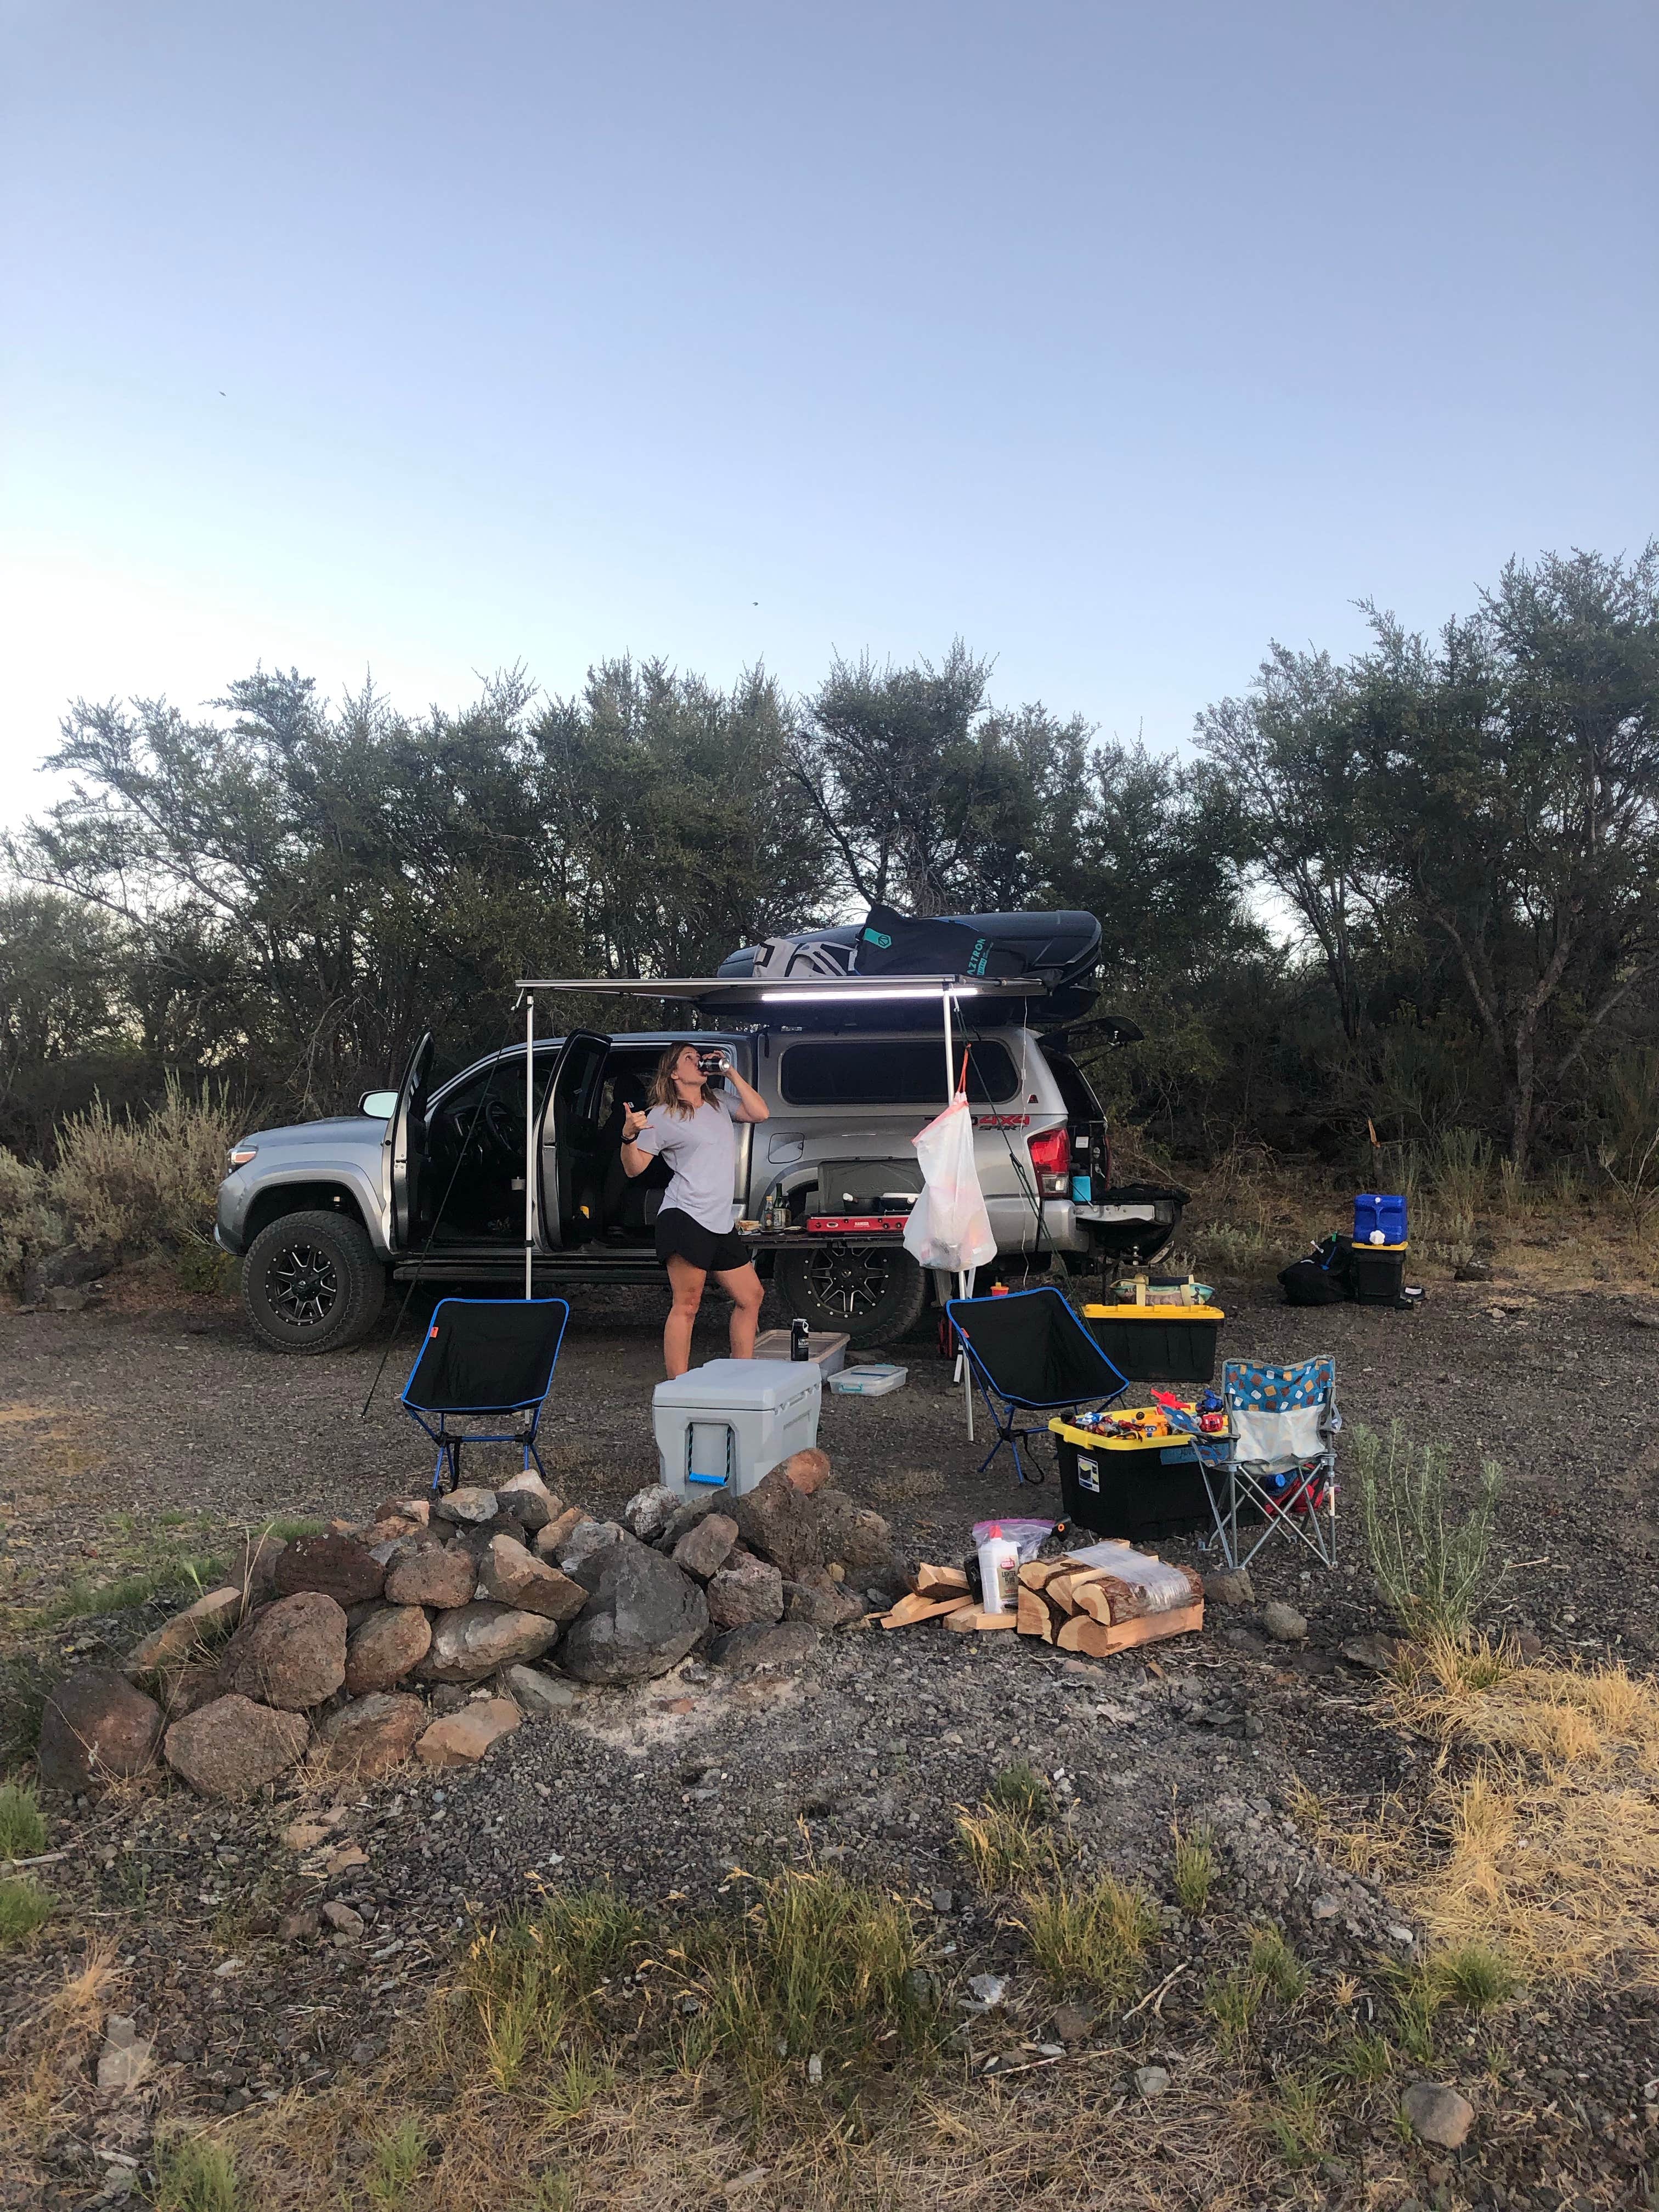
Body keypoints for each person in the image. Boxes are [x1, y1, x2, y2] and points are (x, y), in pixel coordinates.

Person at [621, 1042, 769, 1378]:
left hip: (719, 1221)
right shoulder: (662, 1116)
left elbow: (760, 1113)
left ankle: (742, 1376)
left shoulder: (719, 1102)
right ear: (674, 1073)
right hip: (684, 1216)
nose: (699, 1061)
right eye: (689, 1058)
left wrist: (729, 1071)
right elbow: (634, 1169)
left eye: (699, 1056)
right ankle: (678, 1386)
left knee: (752, 1296)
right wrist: (628, 1136)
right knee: (688, 1305)